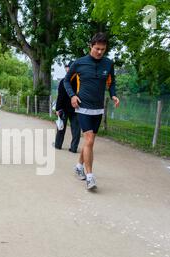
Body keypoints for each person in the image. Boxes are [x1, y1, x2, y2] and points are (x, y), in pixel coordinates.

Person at [63, 32, 120, 190]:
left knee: (90, 142)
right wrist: (72, 96)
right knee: (88, 140)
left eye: (103, 49)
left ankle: (79, 166)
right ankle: (90, 177)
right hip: (82, 106)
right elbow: (66, 81)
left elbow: (111, 82)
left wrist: (113, 95)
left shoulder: (108, 64)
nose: (100, 52)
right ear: (91, 46)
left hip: (98, 108)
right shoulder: (79, 63)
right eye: (97, 48)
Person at [54, 63, 81, 153]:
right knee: (76, 129)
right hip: (76, 108)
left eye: (68, 67)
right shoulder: (79, 82)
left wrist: (58, 109)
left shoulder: (64, 81)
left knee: (61, 127)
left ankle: (58, 145)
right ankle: (74, 148)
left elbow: (60, 96)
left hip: (65, 108)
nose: (67, 69)